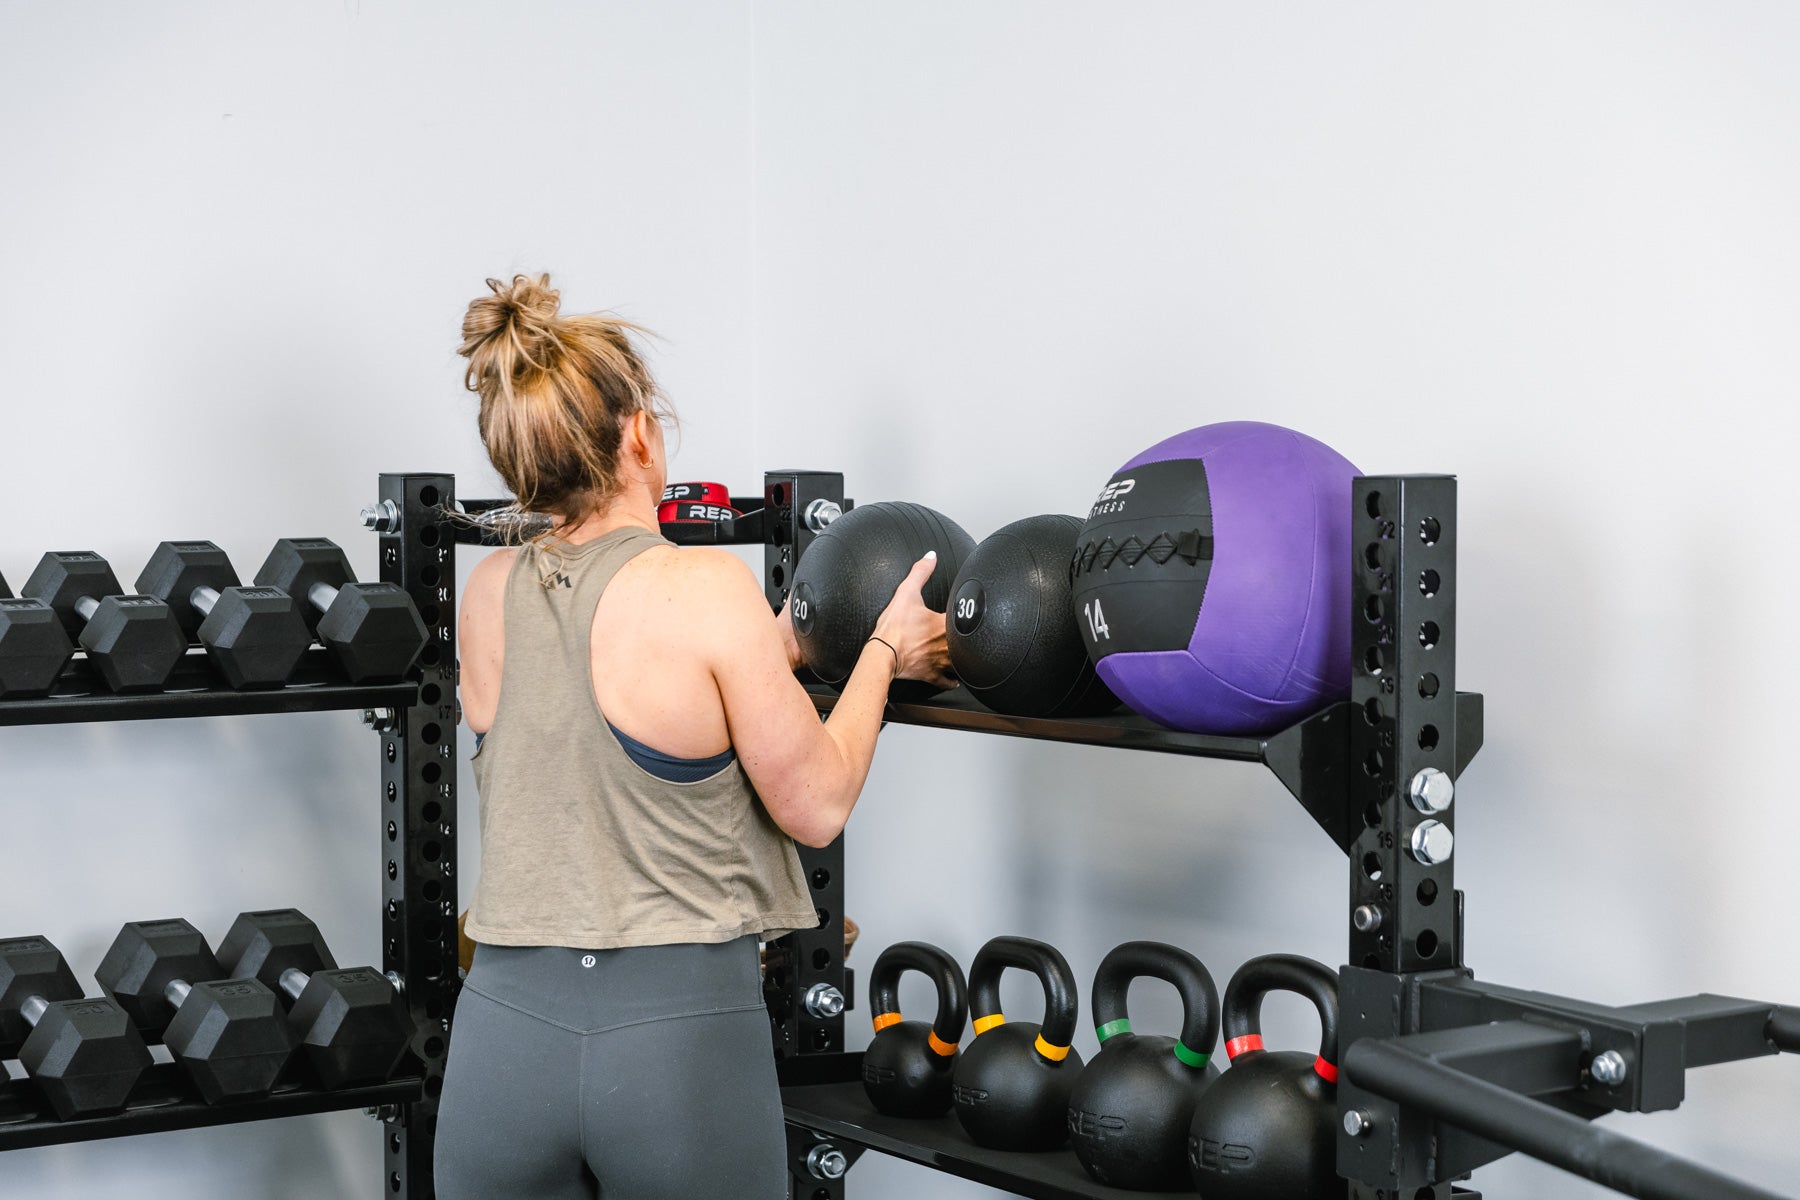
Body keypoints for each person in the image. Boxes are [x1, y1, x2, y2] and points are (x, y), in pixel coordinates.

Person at [433, 274, 951, 1199]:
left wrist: (768, 653)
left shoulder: (487, 594)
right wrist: (885, 650)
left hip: (502, 1045)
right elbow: (817, 805)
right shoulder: (706, 591)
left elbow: (580, 712)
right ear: (640, 434)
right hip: (675, 1051)